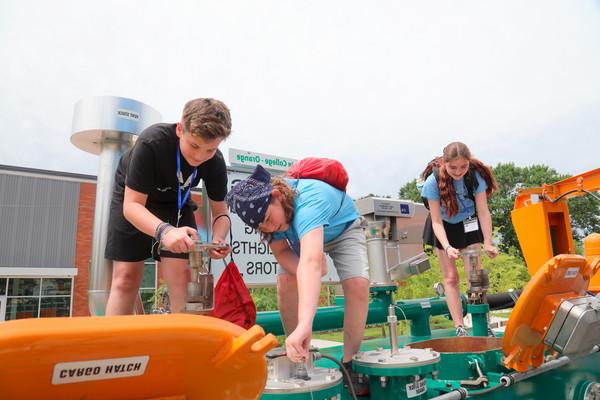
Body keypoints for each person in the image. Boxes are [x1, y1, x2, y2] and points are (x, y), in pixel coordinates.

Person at [226, 164, 370, 395]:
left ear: (276, 196)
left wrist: (307, 322)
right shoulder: (271, 220)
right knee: (286, 281)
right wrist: (304, 271)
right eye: (260, 225)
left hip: (343, 229)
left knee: (358, 285)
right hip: (301, 237)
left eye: (267, 218)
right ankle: (299, 353)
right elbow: (283, 253)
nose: (268, 226)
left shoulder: (310, 201)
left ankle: (350, 362)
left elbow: (311, 263)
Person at [104, 98, 233, 315]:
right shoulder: (151, 142)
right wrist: (164, 231)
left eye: (210, 150)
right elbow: (132, 206)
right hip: (135, 201)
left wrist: (218, 239)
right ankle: (115, 348)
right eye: (194, 145)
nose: (199, 156)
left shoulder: (215, 161)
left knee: (183, 278)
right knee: (126, 278)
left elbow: (221, 213)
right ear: (180, 129)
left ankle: (182, 346)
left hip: (176, 204)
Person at [420, 141, 498, 336]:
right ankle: (459, 327)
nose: (458, 171)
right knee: (451, 277)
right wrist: (447, 247)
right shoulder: (433, 182)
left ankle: (481, 322)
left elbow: (483, 211)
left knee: (475, 276)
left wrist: (488, 241)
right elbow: (436, 220)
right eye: (453, 167)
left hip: (468, 223)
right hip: (443, 228)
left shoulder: (475, 176)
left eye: (463, 166)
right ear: (444, 163)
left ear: (468, 163)